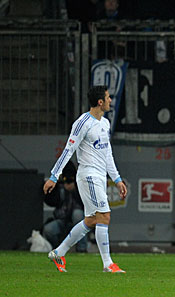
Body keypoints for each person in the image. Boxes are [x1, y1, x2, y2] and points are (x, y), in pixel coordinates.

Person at [43, 85, 127, 273]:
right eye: (107, 98)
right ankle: (108, 264)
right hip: (88, 175)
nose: (110, 101)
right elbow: (68, 151)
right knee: (104, 216)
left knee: (91, 220)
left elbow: (108, 155)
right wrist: (54, 177)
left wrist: (117, 179)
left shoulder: (104, 124)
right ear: (100, 102)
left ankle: (59, 252)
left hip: (99, 175)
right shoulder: (83, 123)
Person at [43, 162, 88, 253]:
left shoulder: (81, 185)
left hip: (79, 221)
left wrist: (75, 188)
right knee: (48, 229)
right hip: (62, 220)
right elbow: (51, 201)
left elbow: (85, 203)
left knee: (77, 214)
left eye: (70, 180)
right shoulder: (59, 187)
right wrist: (58, 186)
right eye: (65, 179)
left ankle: (81, 249)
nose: (68, 182)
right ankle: (59, 250)